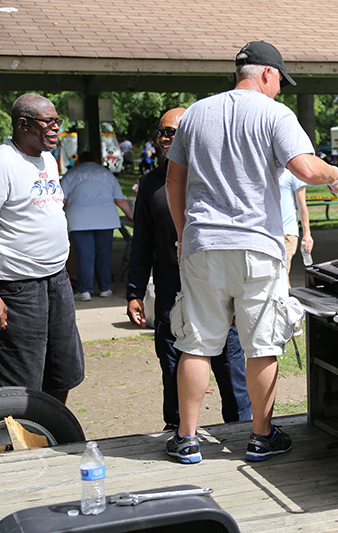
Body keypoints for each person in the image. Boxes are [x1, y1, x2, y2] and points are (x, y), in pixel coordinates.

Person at [164, 40, 338, 464]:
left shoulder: (195, 114)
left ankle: (187, 438)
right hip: (258, 247)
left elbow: (174, 181)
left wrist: (183, 235)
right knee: (261, 346)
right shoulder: (275, 114)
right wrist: (335, 173)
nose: (281, 89)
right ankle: (261, 436)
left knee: (196, 345)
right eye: (280, 80)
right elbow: (305, 168)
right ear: (267, 73)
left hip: (202, 245)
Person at [125, 108, 251, 431]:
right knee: (172, 361)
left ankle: (240, 426)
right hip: (171, 286)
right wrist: (134, 293)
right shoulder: (151, 183)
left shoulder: (215, 178)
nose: (167, 138)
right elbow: (141, 244)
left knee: (229, 361)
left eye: (175, 132)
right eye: (163, 132)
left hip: (217, 283)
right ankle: (179, 429)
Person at [0, 93, 85, 405]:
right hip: (18, 287)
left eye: (57, 121)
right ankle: (18, 450)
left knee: (63, 370)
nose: (56, 127)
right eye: (49, 122)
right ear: (23, 124)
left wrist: (68, 270)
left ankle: (50, 434)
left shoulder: (46, 159)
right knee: (22, 381)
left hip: (55, 282)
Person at [62, 151, 134, 301]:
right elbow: (120, 200)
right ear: (96, 160)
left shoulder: (72, 173)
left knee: (84, 256)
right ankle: (105, 288)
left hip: (79, 218)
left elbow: (62, 199)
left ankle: (85, 290)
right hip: (105, 218)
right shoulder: (107, 174)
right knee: (104, 254)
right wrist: (133, 218)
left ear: (80, 161)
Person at [280, 168, 312, 285]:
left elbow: (302, 204)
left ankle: (284, 301)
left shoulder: (292, 173)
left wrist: (307, 234)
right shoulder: (262, 171)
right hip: (266, 231)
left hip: (287, 232)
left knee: (281, 275)